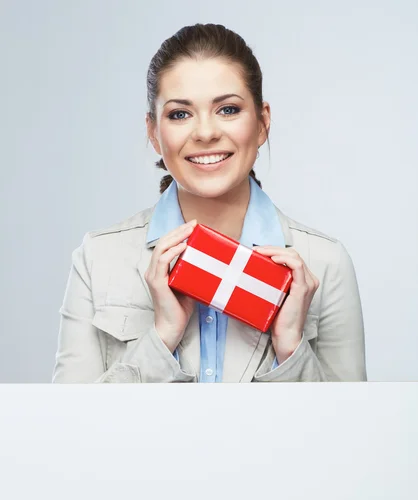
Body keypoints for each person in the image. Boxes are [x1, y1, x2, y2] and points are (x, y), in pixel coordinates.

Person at [52, 23, 367, 383]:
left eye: (228, 109)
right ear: (154, 132)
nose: (205, 133)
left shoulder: (325, 264)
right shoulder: (98, 259)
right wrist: (162, 336)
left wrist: (290, 348)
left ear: (262, 123)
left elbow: (346, 432)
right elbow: (71, 429)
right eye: (180, 114)